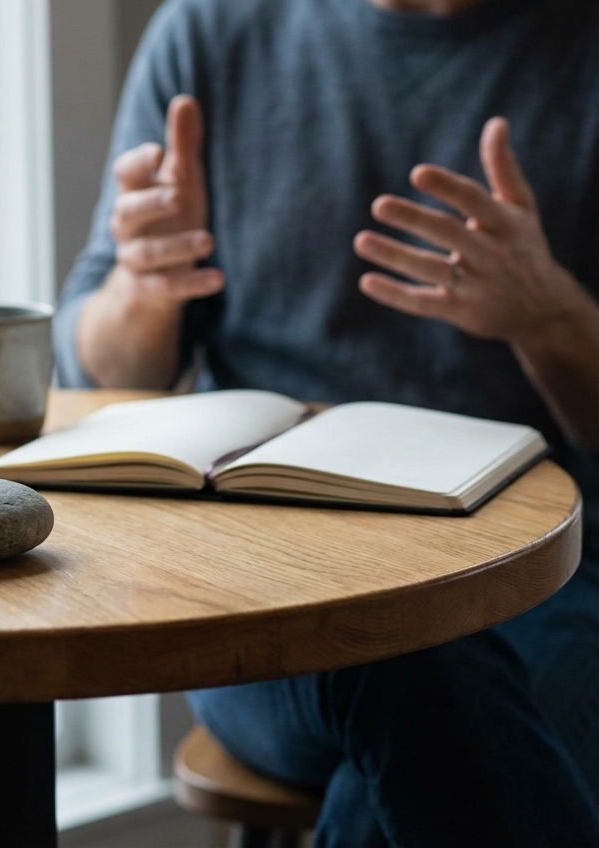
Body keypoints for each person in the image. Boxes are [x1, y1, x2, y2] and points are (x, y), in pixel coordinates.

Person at [56, 0, 599, 844]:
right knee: (417, 667)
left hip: (546, 578)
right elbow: (100, 375)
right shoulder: (211, 28)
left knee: (407, 744)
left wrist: (551, 317)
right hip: (265, 590)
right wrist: (144, 285)